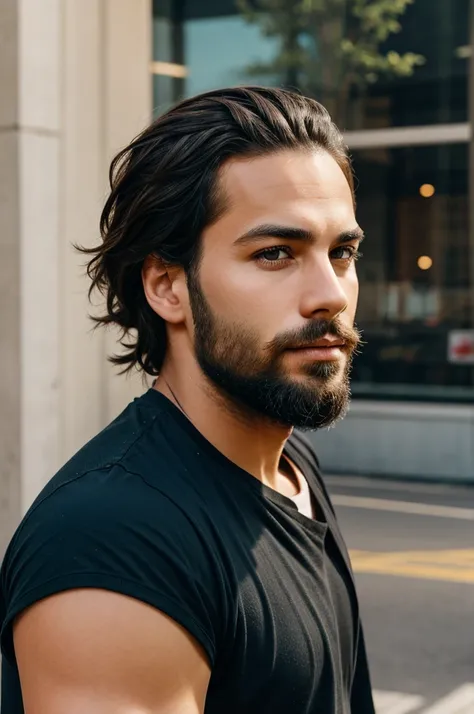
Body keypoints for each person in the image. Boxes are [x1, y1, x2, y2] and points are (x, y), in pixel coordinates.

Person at [0, 86, 375, 714]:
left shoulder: (289, 468)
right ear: (167, 286)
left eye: (341, 252)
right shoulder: (112, 543)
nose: (329, 294)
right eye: (275, 253)